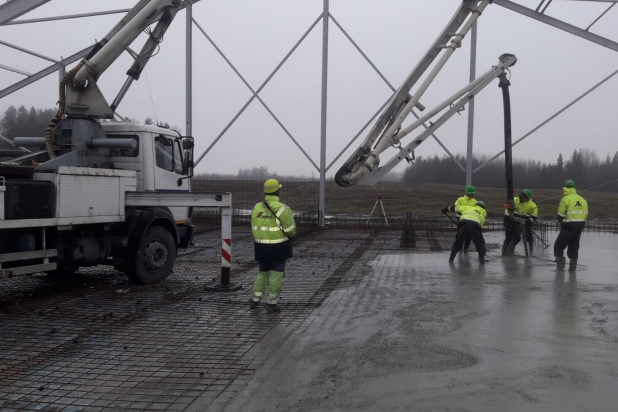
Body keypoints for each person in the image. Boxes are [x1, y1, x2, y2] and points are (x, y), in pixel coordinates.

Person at [249, 178, 297, 312]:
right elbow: (290, 230)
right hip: (278, 248)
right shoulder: (283, 209)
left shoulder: (257, 207)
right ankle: (271, 303)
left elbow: (253, 224)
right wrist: (291, 236)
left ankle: (254, 300)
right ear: (278, 191)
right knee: (276, 275)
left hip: (260, 247)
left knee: (262, 273)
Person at [554, 179, 588, 271]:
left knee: (558, 246)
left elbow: (560, 216)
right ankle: (572, 270)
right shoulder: (582, 199)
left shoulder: (565, 199)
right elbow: (585, 214)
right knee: (574, 246)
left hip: (568, 226)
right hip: (580, 225)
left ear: (564, 188)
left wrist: (561, 220)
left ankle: (560, 268)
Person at [502, 189, 538, 255]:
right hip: (509, 219)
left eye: (528, 199)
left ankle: (505, 254)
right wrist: (508, 206)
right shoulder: (515, 200)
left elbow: (534, 216)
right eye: (526, 199)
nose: (527, 200)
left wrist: (526, 221)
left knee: (511, 237)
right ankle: (509, 253)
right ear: (523, 197)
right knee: (516, 237)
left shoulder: (530, 205)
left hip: (519, 221)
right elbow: (505, 204)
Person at [454, 185, 477, 253]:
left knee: (469, 234)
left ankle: (466, 248)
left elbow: (476, 209)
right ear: (467, 193)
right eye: (471, 194)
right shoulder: (460, 199)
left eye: (473, 194)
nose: (472, 195)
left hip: (470, 219)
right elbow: (456, 208)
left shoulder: (475, 201)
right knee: (460, 233)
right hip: (460, 218)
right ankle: (459, 247)